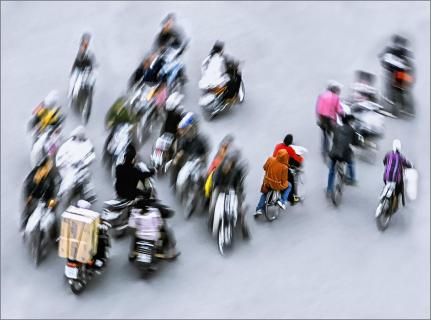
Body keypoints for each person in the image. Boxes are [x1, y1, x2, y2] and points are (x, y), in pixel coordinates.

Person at [208, 150, 249, 238]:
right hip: (220, 189)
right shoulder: (219, 169)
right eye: (229, 162)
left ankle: (244, 229)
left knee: (242, 208)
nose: (229, 165)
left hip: (232, 190)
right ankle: (211, 222)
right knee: (213, 205)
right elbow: (215, 181)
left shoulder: (237, 171)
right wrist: (217, 188)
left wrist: (239, 191)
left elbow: (239, 183)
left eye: (232, 162)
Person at [170, 112, 209, 188]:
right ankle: (174, 183)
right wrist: (177, 158)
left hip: (198, 161)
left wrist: (201, 160)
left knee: (203, 177)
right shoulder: (184, 140)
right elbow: (180, 151)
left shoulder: (201, 140)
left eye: (185, 129)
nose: (183, 132)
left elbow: (205, 154)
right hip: (188, 160)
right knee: (176, 165)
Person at [326, 115, 361, 196]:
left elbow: (333, 138)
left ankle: (329, 189)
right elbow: (355, 142)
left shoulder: (336, 128)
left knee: (331, 171)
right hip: (344, 154)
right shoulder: (352, 130)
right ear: (349, 121)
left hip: (334, 153)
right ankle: (352, 179)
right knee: (351, 162)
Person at [21, 156, 58, 231]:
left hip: (43, 197)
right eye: (48, 165)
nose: (49, 167)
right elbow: (30, 184)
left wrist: (52, 202)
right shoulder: (37, 173)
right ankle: (25, 222)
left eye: (50, 165)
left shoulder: (50, 178)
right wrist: (29, 196)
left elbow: (51, 191)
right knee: (29, 209)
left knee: (52, 213)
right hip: (33, 195)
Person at [76, 200, 110, 269]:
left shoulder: (73, 215)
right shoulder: (89, 217)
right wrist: (102, 227)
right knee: (101, 242)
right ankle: (100, 259)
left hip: (76, 241)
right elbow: (96, 225)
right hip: (86, 240)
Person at [316, 81, 344, 159]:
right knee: (335, 134)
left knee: (325, 135)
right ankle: (333, 151)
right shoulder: (336, 98)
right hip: (330, 120)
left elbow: (318, 109)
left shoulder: (322, 96)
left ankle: (324, 151)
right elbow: (338, 110)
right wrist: (342, 114)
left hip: (322, 119)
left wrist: (319, 118)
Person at [383, 139, 413, 211]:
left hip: (386, 177)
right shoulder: (401, 157)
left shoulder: (388, 154)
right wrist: (411, 165)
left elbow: (384, 161)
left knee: (387, 184)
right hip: (396, 179)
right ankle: (394, 204)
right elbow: (408, 164)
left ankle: (386, 195)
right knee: (398, 190)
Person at [273, 134, 304, 204]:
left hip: (274, 167)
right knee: (292, 182)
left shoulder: (278, 146)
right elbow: (296, 158)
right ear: (290, 142)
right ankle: (293, 199)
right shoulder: (289, 149)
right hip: (283, 170)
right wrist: (301, 160)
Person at [204, 134, 234, 200]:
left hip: (227, 177)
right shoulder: (218, 155)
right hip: (216, 175)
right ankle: (207, 199)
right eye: (224, 147)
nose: (224, 150)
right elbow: (213, 166)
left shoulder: (231, 155)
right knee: (208, 184)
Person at [69, 33, 96, 97]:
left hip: (87, 68)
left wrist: (94, 65)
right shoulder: (81, 47)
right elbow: (77, 59)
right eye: (85, 39)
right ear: (83, 39)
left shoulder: (90, 48)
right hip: (79, 67)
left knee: (92, 80)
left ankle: (89, 93)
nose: (86, 41)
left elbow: (92, 58)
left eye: (88, 39)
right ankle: (71, 94)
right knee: (74, 80)